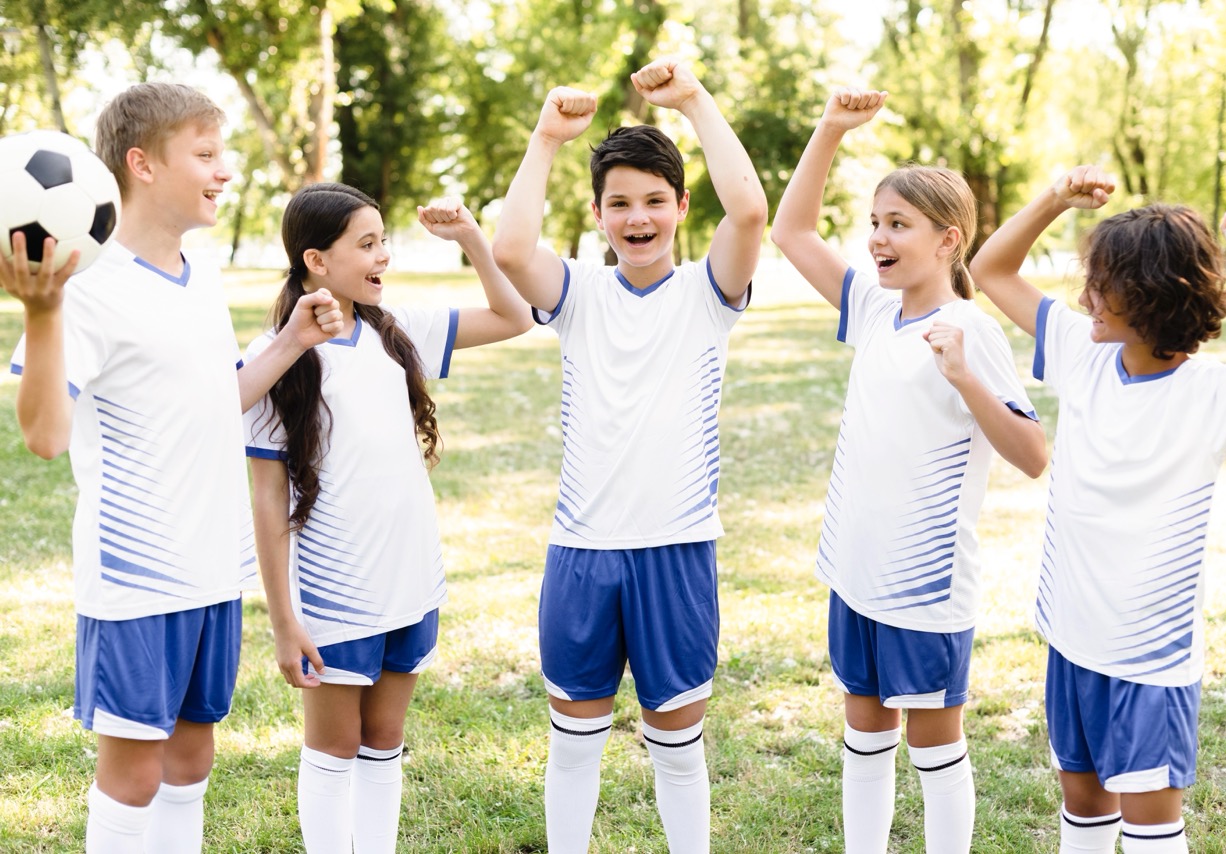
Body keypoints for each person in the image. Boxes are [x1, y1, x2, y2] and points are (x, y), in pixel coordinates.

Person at [0, 82, 343, 854]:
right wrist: (43, 313)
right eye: (206, 153)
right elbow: (46, 435)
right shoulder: (85, 287)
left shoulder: (198, 273)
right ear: (141, 164)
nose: (225, 172)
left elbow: (213, 400)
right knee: (133, 778)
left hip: (213, 571)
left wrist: (286, 343)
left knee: (191, 760)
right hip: (137, 577)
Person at [490, 58, 768, 853]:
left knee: (677, 749)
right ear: (599, 213)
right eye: (620, 203)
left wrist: (694, 100)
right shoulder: (576, 293)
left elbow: (748, 211)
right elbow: (512, 250)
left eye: (654, 201)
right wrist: (545, 138)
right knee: (573, 746)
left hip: (676, 553)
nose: (637, 217)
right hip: (581, 554)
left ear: (681, 206)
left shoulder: (707, 296)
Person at [968, 166, 1226, 853]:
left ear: (1150, 296)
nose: (1085, 297)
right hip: (1072, 634)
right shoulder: (1083, 350)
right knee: (1082, 804)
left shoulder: (1209, 392)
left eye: (1101, 284)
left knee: (1148, 826)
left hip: (1149, 657)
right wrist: (1055, 197)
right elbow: (990, 267)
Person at [770, 88, 1047, 854]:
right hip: (854, 569)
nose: (878, 240)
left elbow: (1033, 455)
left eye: (898, 226)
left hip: (924, 589)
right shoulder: (873, 307)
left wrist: (965, 379)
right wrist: (829, 128)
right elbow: (791, 230)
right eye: (874, 224)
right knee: (864, 734)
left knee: (933, 746)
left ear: (947, 239)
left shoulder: (970, 329)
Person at [243, 185, 532, 854]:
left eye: (383, 240)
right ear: (317, 260)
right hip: (337, 591)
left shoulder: (393, 326)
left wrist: (472, 241)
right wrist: (284, 622)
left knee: (383, 742)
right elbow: (265, 499)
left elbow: (514, 317)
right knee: (335, 746)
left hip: (412, 578)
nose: (385, 256)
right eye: (367, 244)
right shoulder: (277, 356)